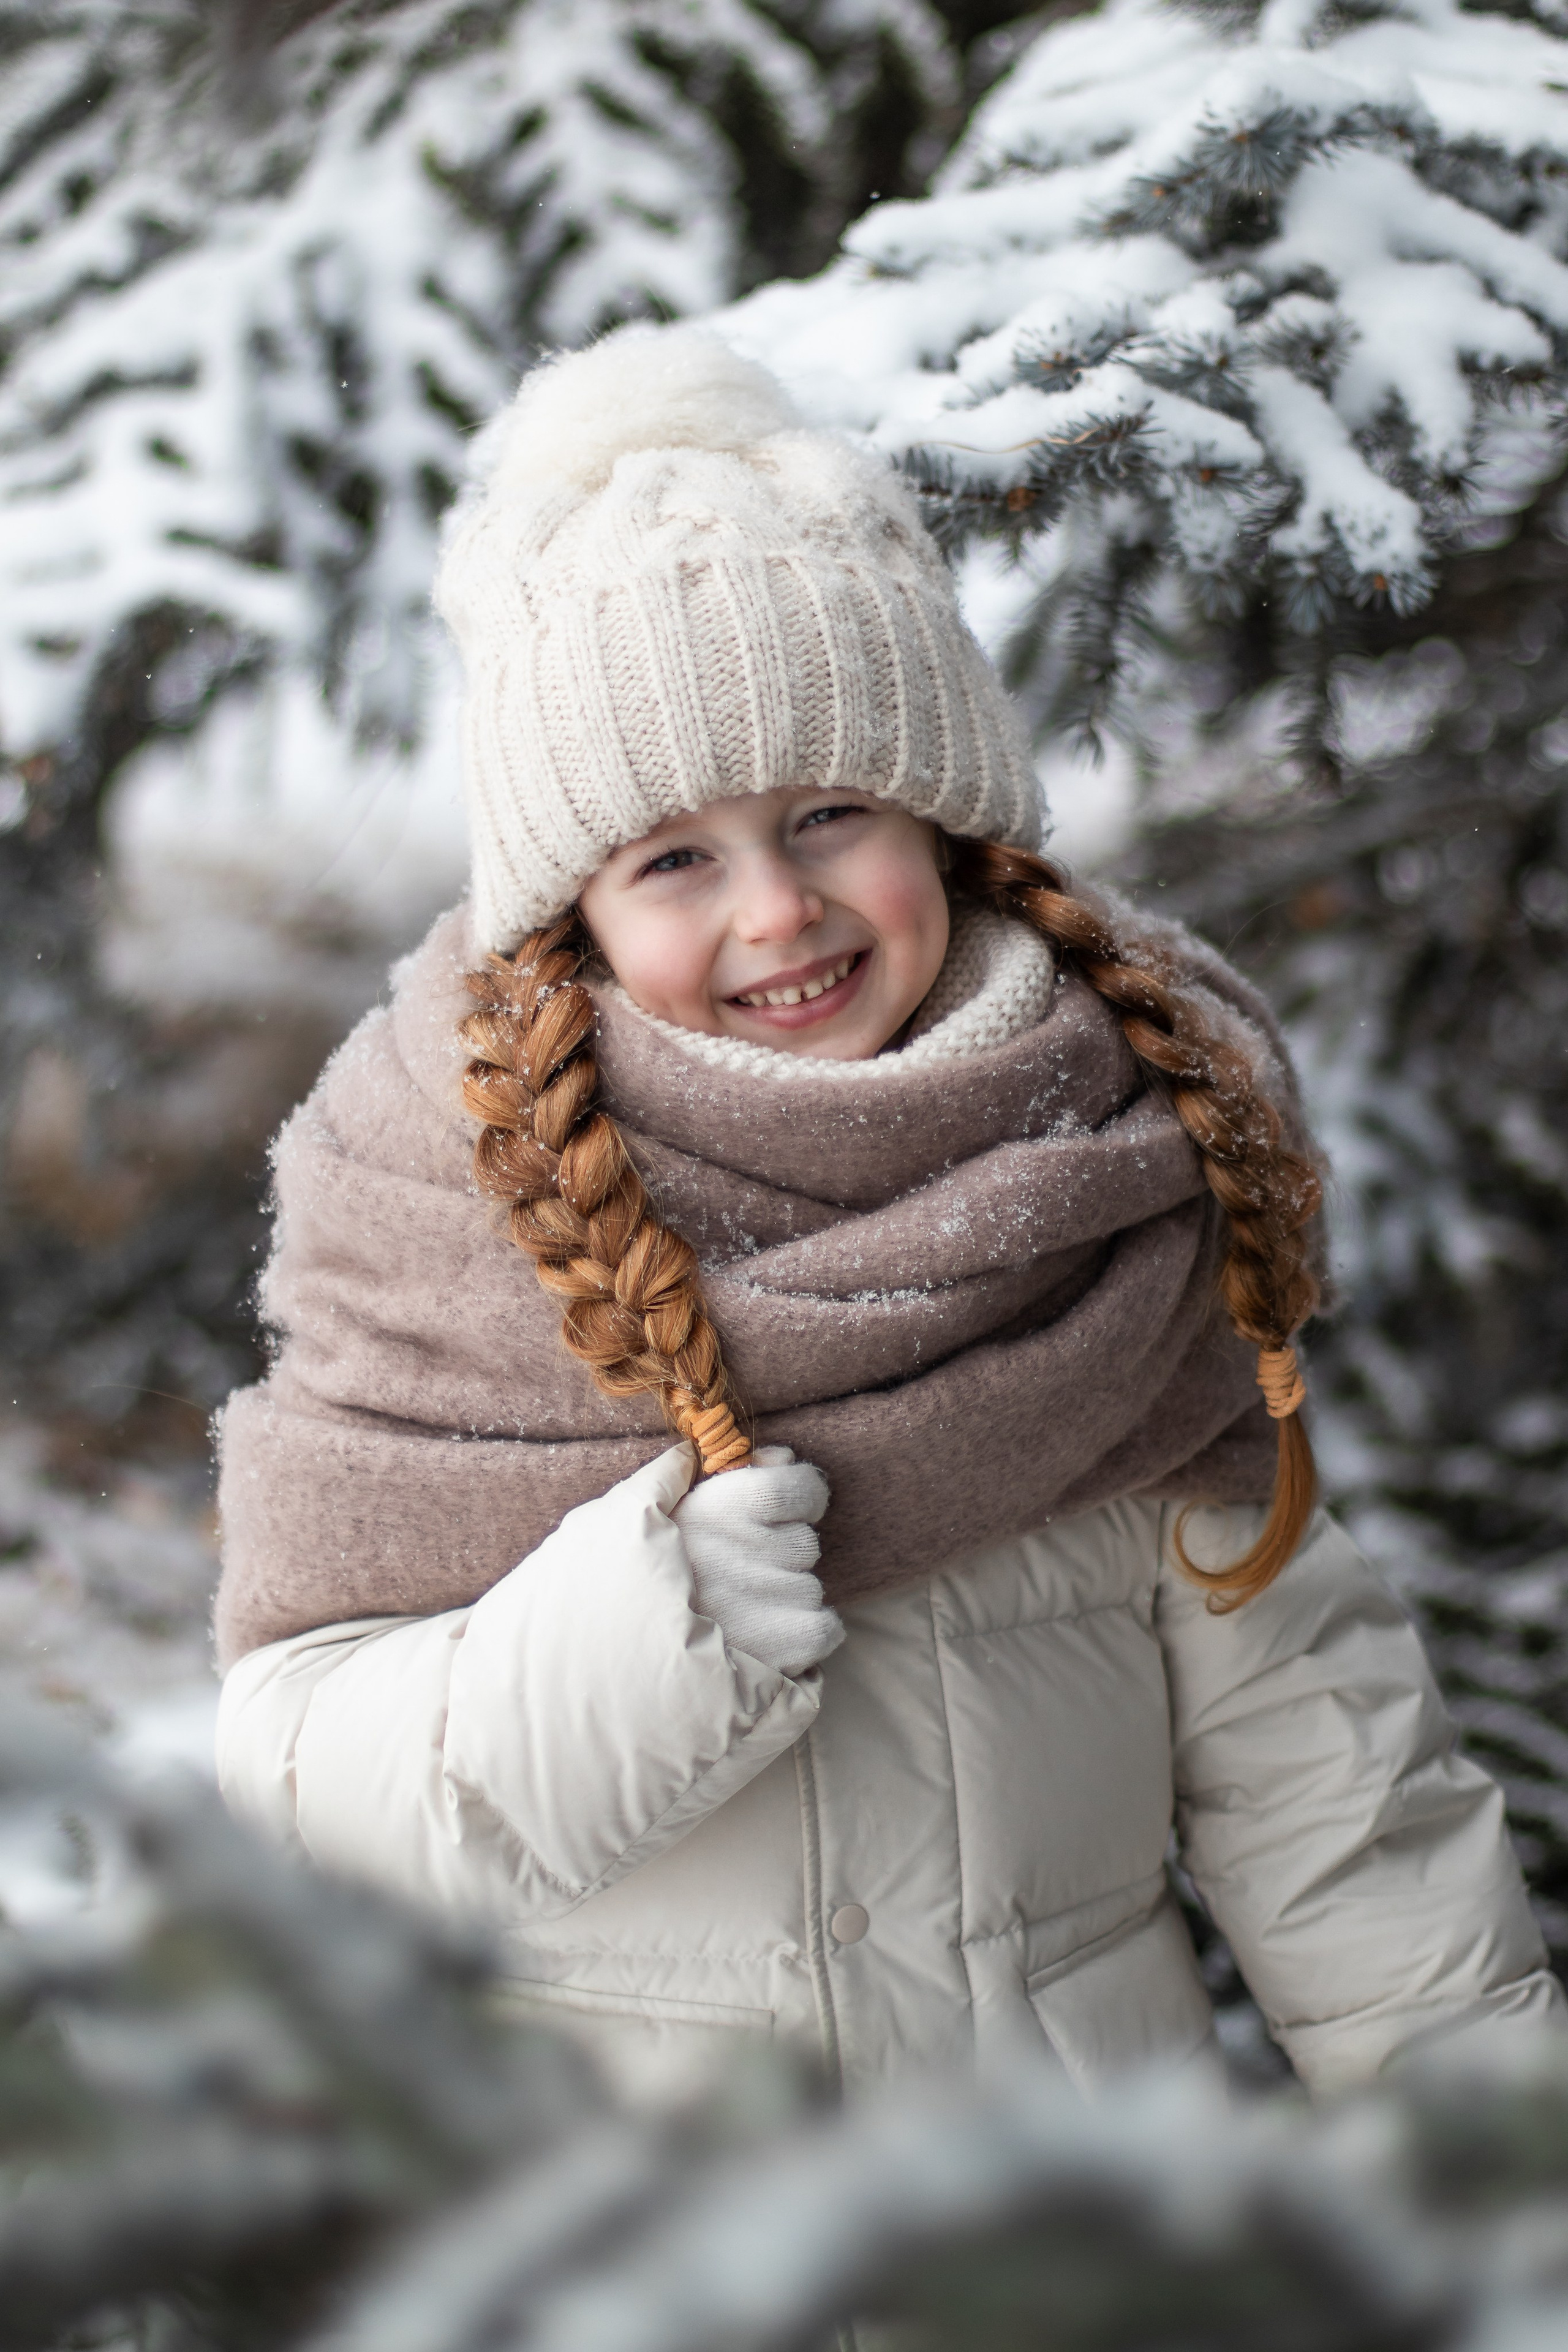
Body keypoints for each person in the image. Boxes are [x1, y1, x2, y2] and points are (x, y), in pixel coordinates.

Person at [213, 326, 1562, 2106]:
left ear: (942, 823)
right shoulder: (432, 1231)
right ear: (571, 921)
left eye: (829, 811)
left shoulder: (1123, 1200)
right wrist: (634, 1646)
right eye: (673, 857)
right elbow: (302, 1787)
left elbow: (1338, 1812)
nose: (777, 911)